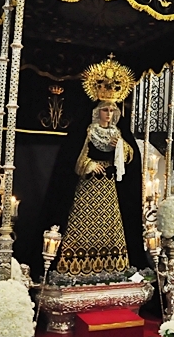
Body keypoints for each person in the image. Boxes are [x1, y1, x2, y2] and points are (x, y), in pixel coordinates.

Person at [55, 100, 136, 276]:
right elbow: (73, 155)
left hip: (108, 186)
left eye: (112, 110)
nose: (109, 113)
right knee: (82, 220)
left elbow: (130, 156)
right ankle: (75, 265)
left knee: (110, 223)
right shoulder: (89, 131)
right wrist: (89, 164)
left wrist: (121, 146)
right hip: (88, 186)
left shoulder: (117, 133)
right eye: (105, 110)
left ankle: (112, 265)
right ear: (97, 112)